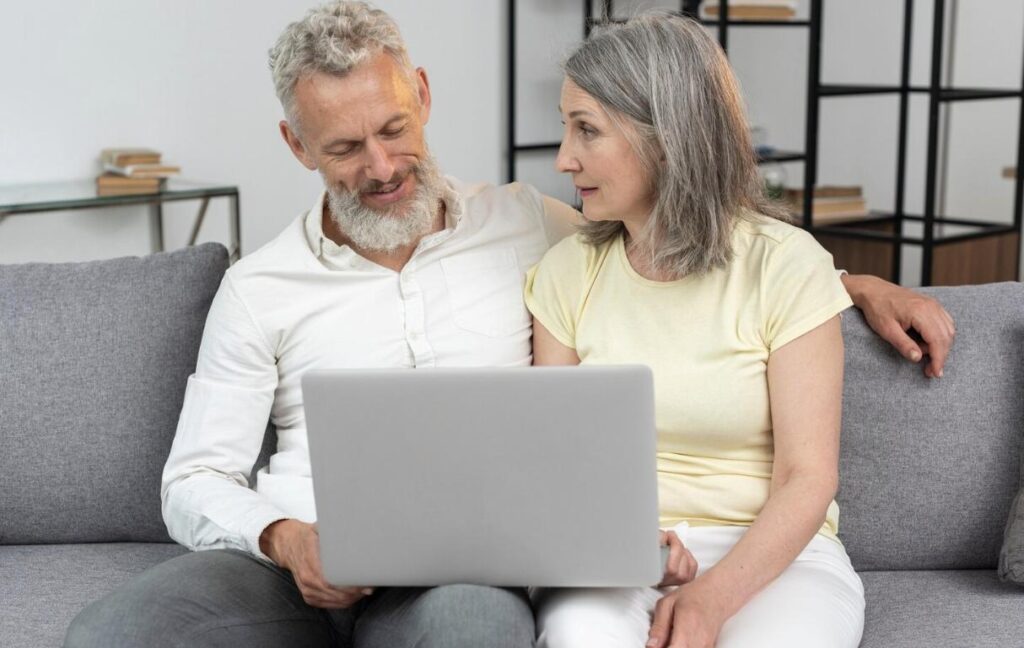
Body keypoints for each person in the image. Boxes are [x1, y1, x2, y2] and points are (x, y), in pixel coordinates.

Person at [64, 2, 951, 647]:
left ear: (422, 94)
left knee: (474, 627)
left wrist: (850, 282)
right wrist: (288, 540)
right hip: (293, 563)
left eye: (393, 128)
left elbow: (685, 248)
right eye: (343, 147)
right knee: (111, 634)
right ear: (297, 146)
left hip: (454, 574)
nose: (382, 166)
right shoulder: (258, 287)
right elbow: (194, 478)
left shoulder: (527, 225)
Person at [525, 12, 882, 648]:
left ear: (666, 137)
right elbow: (560, 463)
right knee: (580, 637)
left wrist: (711, 599)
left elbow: (807, 477)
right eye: (565, 127)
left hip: (774, 555)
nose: (563, 159)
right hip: (620, 553)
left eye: (587, 130)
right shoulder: (566, 272)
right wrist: (631, 544)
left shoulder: (785, 264)